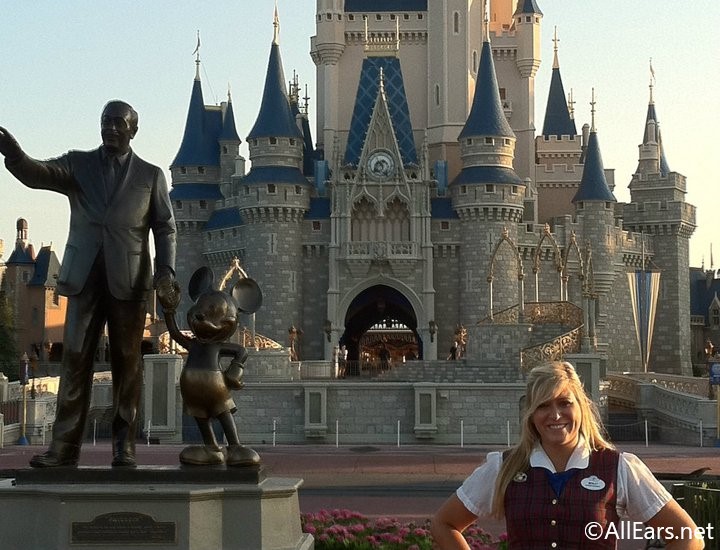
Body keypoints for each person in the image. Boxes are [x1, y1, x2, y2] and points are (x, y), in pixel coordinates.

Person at [0, 100, 176, 468]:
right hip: (83, 278)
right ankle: (64, 448)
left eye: (118, 123)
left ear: (133, 130)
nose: (110, 128)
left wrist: (166, 271)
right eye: (105, 122)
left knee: (128, 363)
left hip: (128, 281)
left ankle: (123, 446)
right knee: (76, 358)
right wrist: (15, 155)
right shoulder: (79, 164)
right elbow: (38, 173)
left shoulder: (151, 175)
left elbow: (165, 227)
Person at [431, 361, 704, 549]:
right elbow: (444, 524)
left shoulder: (618, 467)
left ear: (581, 407)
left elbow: (689, 537)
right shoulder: (504, 466)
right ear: (531, 414)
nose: (555, 415)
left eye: (564, 403)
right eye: (543, 405)